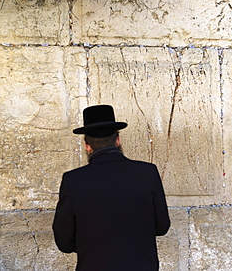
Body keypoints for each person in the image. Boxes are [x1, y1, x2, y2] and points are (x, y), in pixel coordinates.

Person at [53, 104, 170, 271]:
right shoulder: (147, 173)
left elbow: (64, 241)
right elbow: (162, 226)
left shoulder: (73, 180)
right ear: (117, 140)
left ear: (87, 146)